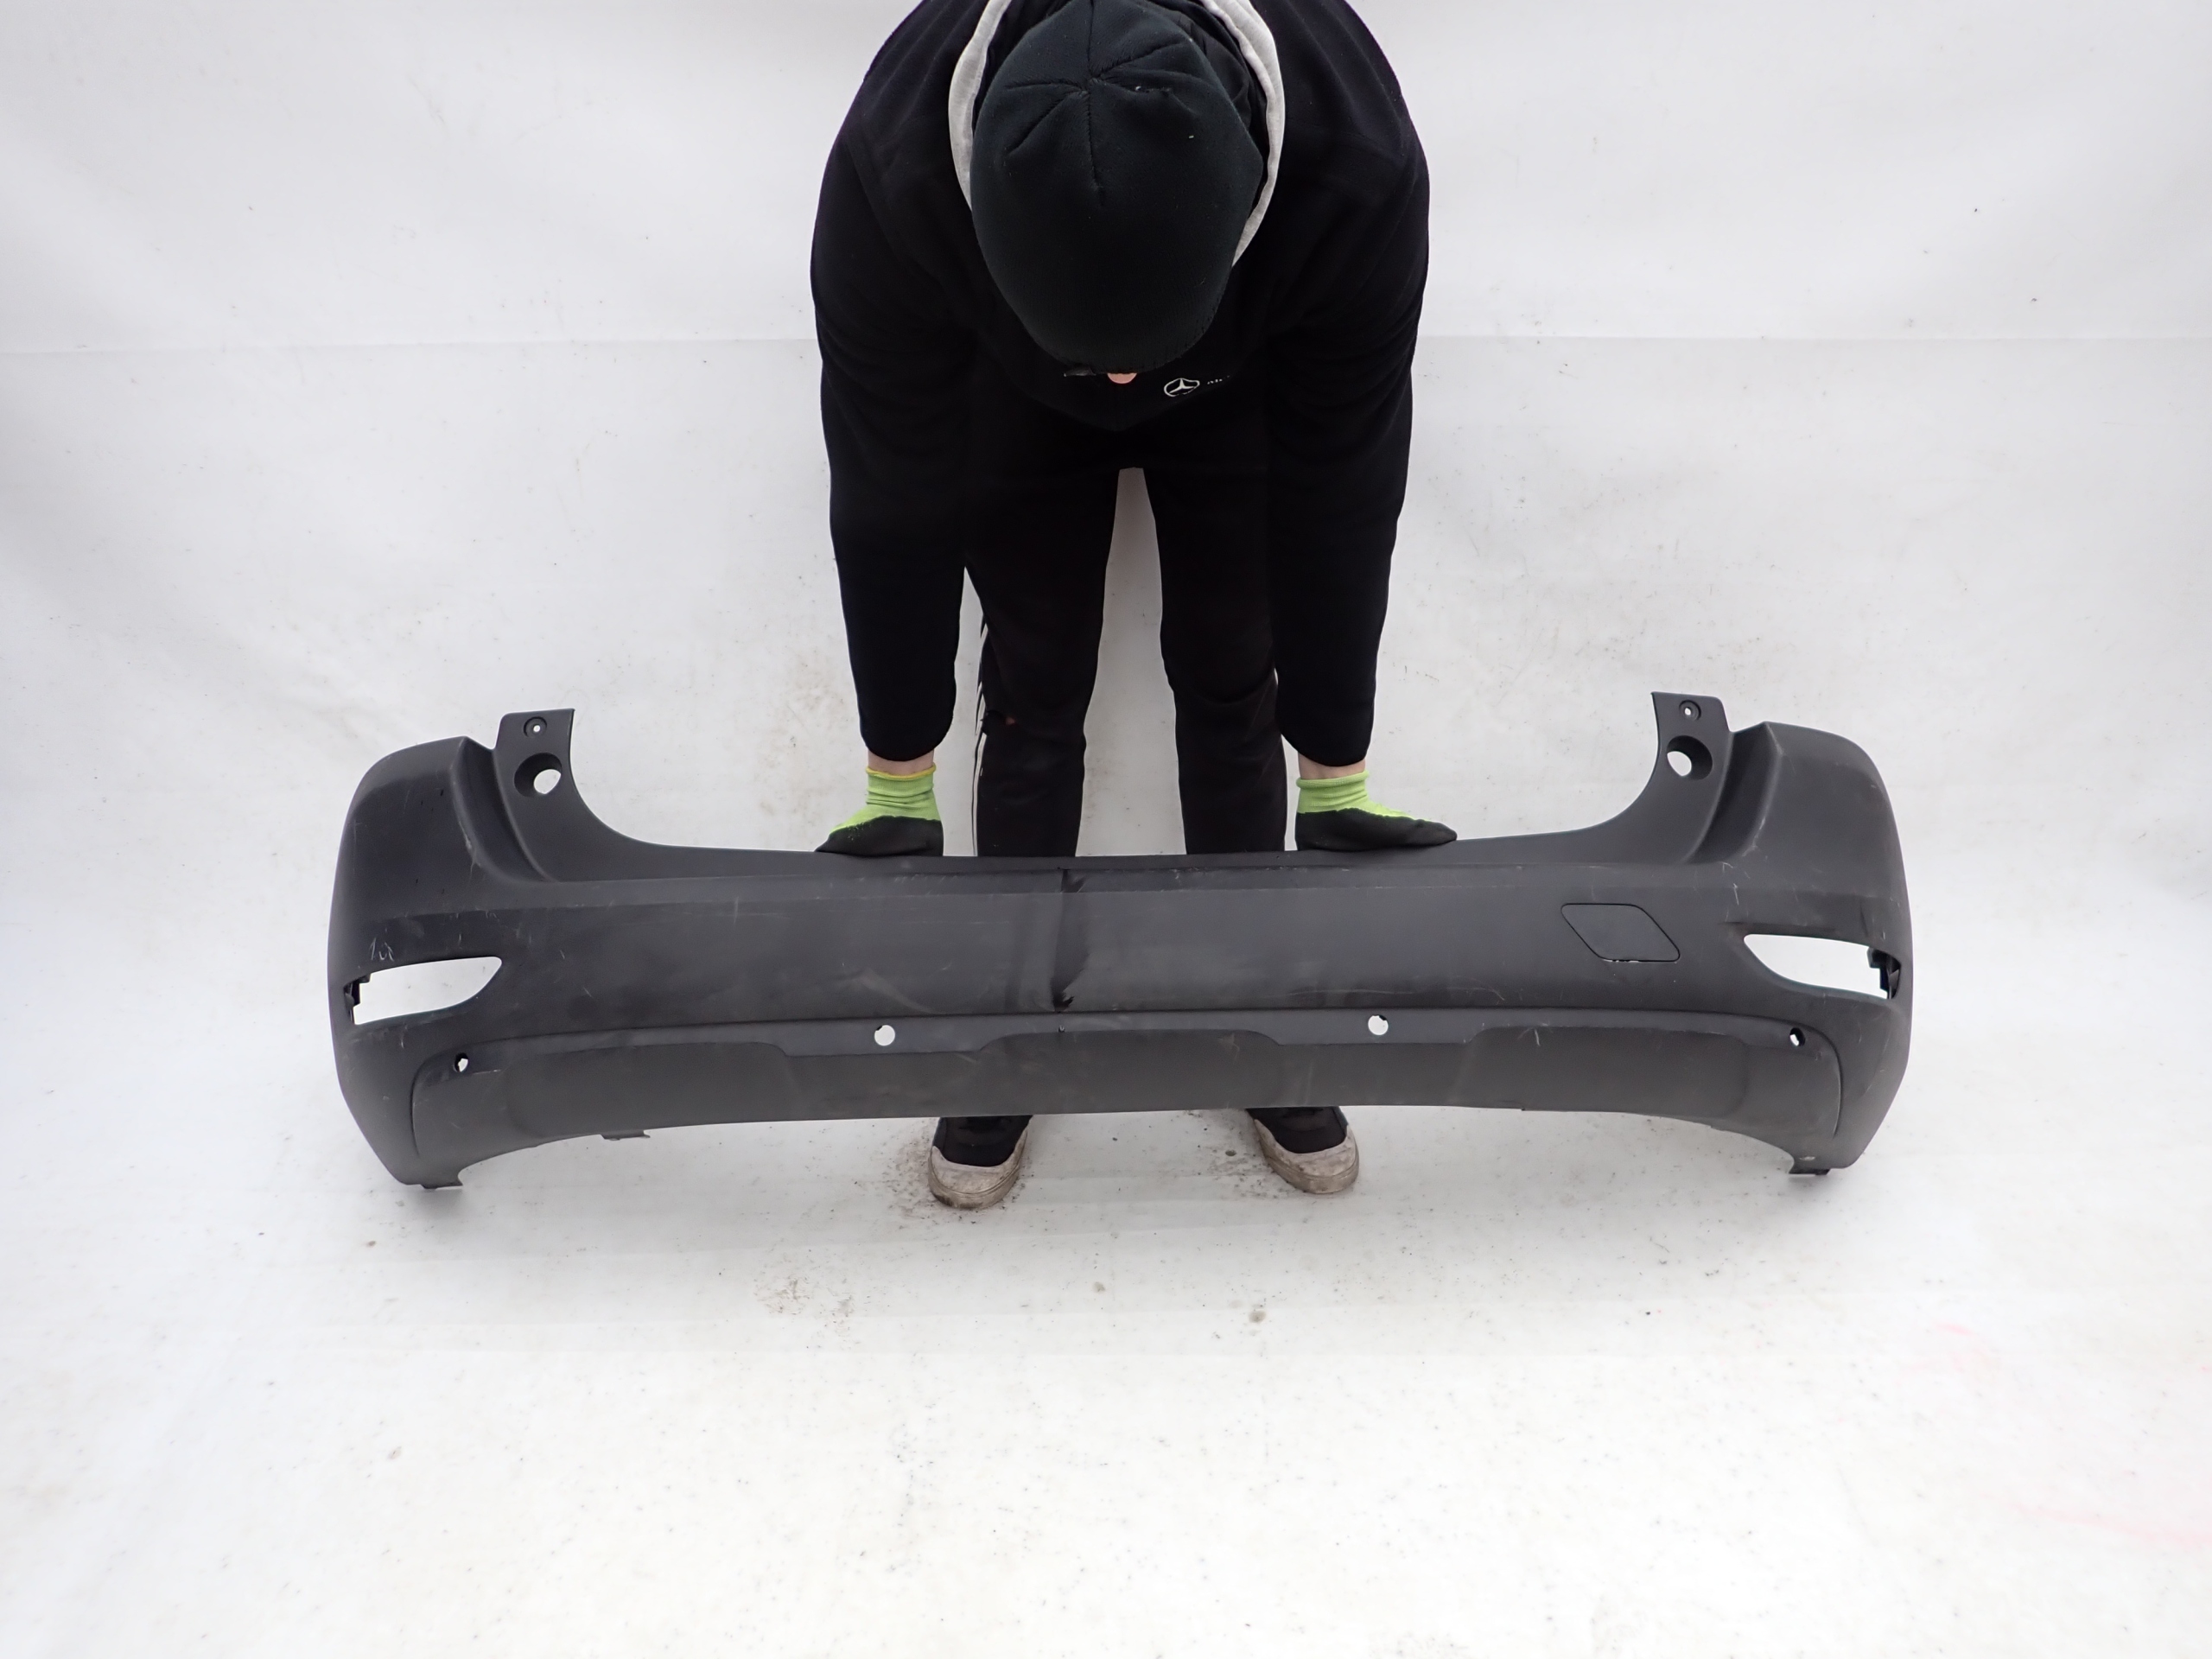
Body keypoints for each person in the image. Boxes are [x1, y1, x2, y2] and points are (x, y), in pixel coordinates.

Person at [810, 0, 1453, 1209]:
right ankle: (1009, 1032)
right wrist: (897, 779)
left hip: (1244, 370)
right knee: (1035, 672)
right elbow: (889, 483)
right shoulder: (894, 173)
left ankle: (1260, 1021)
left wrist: (1336, 768)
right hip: (1011, 385)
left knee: (1231, 664)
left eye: (1136, 347)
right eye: (1099, 350)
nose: (1120, 379)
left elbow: (1345, 478)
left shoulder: (1353, 161)